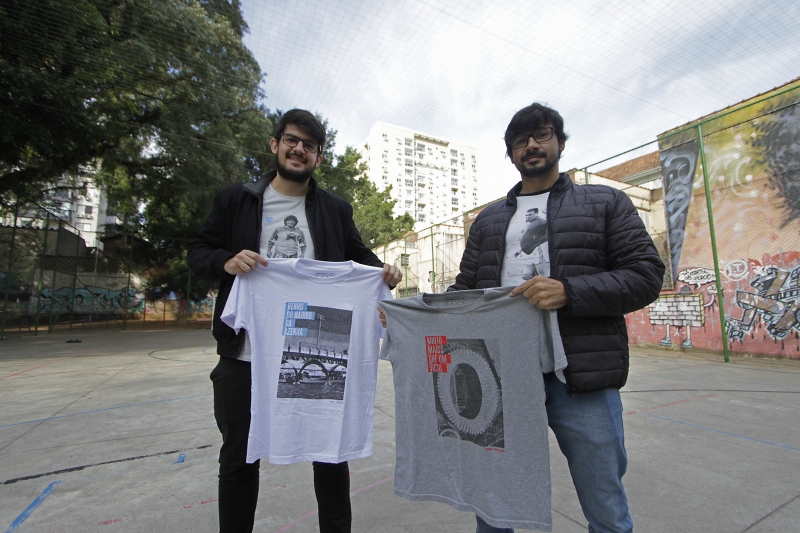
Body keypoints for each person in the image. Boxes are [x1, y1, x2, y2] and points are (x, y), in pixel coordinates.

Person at [449, 103, 664, 533]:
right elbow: (465, 291)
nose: (531, 145)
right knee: (492, 498)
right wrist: (414, 313)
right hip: (500, 377)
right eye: (520, 140)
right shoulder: (488, 221)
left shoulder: (605, 202)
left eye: (542, 134)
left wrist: (569, 291)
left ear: (560, 143)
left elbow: (645, 275)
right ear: (511, 153)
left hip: (580, 378)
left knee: (604, 502)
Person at [187, 109, 401, 533]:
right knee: (238, 458)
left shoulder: (335, 209)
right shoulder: (236, 200)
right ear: (275, 144)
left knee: (330, 454)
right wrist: (226, 260)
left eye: (309, 145)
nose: (299, 149)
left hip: (316, 341)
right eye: (291, 140)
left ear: (318, 157)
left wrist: (384, 272)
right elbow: (199, 251)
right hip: (246, 349)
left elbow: (359, 256)